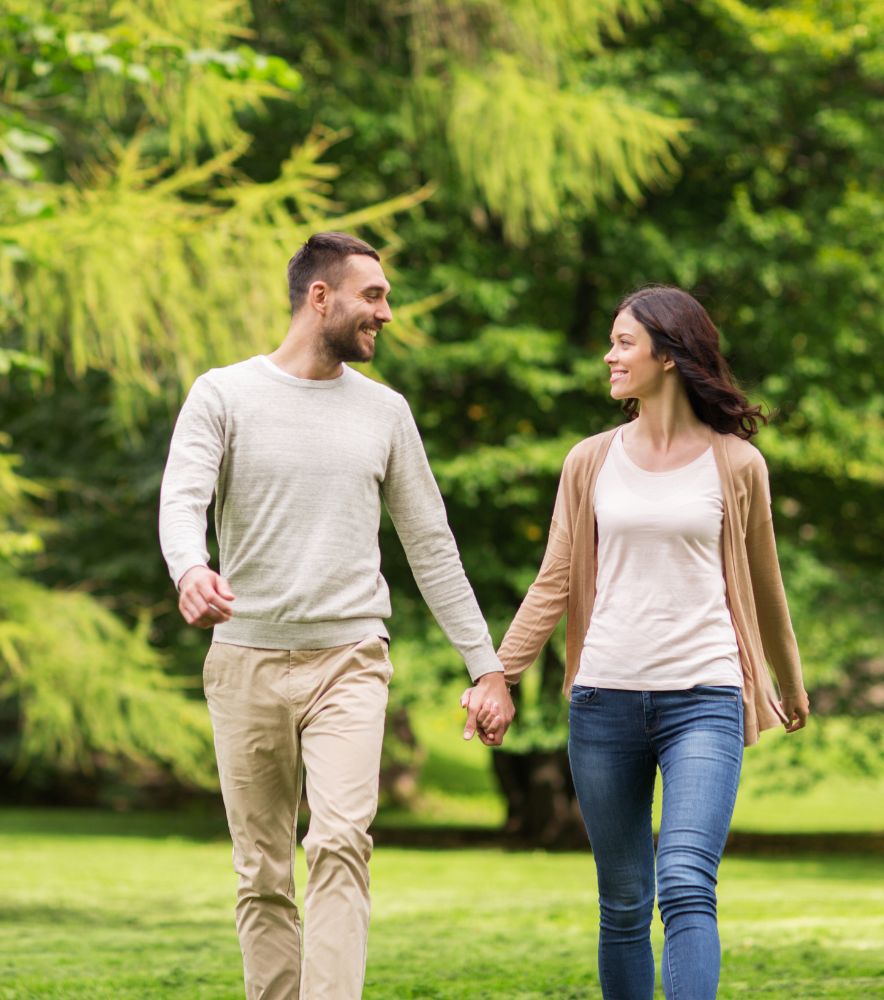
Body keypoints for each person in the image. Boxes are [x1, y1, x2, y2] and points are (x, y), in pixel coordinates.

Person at [158, 231, 514, 1000]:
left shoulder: (385, 413)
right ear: (320, 297)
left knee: (343, 842)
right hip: (245, 657)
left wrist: (484, 661)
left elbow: (431, 545)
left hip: (349, 658)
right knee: (261, 872)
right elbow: (182, 498)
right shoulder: (223, 394)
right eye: (373, 296)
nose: (385, 312)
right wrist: (190, 567)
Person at [495, 285, 809, 1000]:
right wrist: (500, 674)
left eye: (623, 343)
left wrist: (788, 684)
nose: (609, 356)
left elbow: (766, 587)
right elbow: (553, 581)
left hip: (705, 695)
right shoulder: (589, 462)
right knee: (625, 901)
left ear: (668, 355)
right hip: (604, 700)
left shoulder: (736, 465)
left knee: (687, 881)